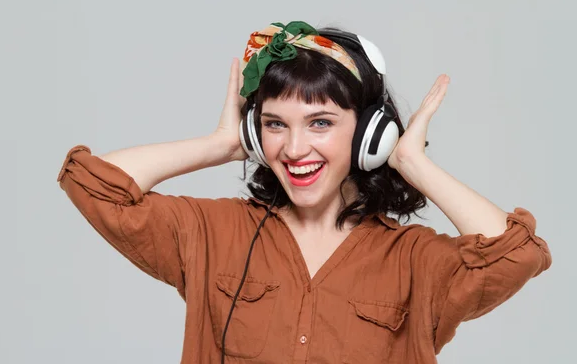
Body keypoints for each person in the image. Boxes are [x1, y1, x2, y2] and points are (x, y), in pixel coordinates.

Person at [57, 21, 552, 364]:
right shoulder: (213, 232)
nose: (294, 148)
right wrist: (218, 145)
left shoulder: (415, 260)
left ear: (367, 135)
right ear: (256, 134)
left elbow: (517, 254)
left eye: (320, 123)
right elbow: (94, 183)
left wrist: (413, 163)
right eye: (275, 124)